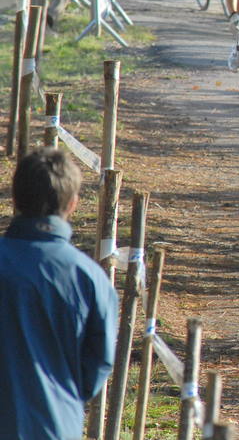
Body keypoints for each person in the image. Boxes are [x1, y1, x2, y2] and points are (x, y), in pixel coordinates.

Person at [0, 148, 118, 438]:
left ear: (15, 198)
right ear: (73, 203)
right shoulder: (91, 278)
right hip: (56, 425)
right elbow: (98, 362)